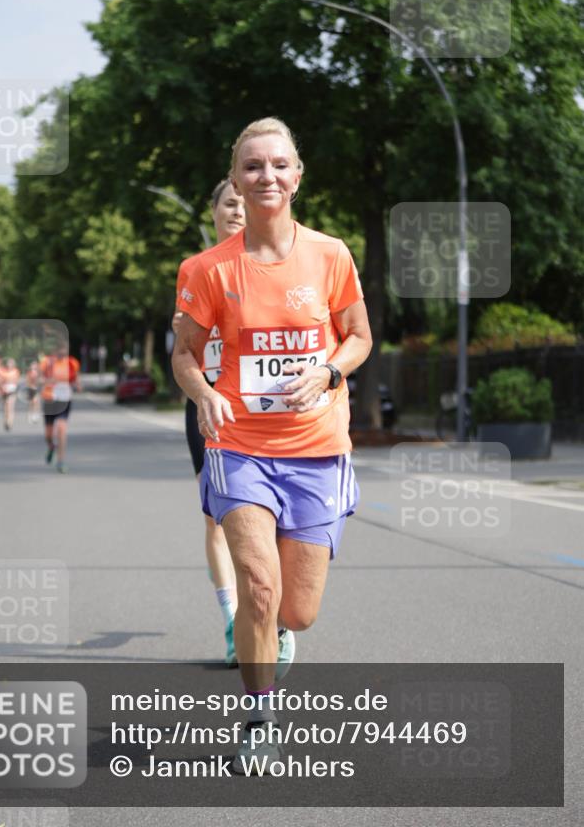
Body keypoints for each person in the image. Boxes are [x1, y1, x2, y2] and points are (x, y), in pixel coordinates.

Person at [172, 117, 372, 772]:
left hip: (316, 449)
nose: (265, 177)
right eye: (252, 167)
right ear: (234, 179)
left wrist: (329, 369)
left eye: (278, 165)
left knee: (296, 610)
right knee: (258, 588)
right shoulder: (204, 269)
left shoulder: (330, 255)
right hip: (239, 449)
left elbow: (359, 337)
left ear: (297, 174)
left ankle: (273, 631)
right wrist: (202, 392)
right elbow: (182, 352)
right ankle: (259, 716)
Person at [174, 178, 245, 667]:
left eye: (244, 203)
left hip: (260, 409)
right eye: (229, 202)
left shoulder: (274, 263)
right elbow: (183, 346)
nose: (238, 210)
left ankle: (263, 610)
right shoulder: (197, 270)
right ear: (215, 211)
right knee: (217, 519)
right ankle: (232, 617)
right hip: (208, 406)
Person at [39, 343, 82, 473]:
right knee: (48, 434)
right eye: (60, 348)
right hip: (50, 399)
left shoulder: (72, 363)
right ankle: (51, 446)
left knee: (62, 429)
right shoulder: (46, 362)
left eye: (65, 348)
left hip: (65, 400)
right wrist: (47, 381)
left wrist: (78, 386)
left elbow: (76, 380)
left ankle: (61, 461)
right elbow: (39, 379)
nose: (62, 351)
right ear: (54, 349)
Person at [0, 357, 21, 431]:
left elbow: (17, 381)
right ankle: (5, 420)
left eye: (11, 363)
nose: (9, 365)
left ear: (13, 364)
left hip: (12, 391)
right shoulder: (3, 371)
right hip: (4, 391)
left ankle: (9, 423)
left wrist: (13, 386)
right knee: (6, 407)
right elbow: (0, 380)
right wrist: (2, 387)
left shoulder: (16, 371)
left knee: (10, 406)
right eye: (8, 363)